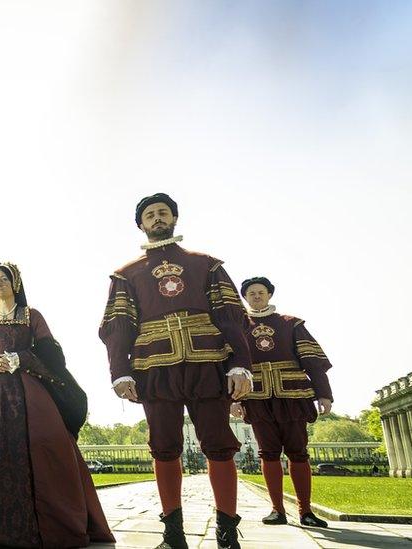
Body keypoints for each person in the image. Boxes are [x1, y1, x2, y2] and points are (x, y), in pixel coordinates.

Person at [98, 193, 252, 549]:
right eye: (149, 214)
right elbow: (118, 325)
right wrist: (119, 372)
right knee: (164, 447)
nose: (156, 218)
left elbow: (231, 316)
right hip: (155, 368)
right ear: (140, 224)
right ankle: (173, 534)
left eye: (162, 212)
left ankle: (227, 533)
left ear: (175, 218)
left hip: (207, 364)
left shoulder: (207, 264)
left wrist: (241, 363)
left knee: (218, 446)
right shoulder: (126, 273)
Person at [0, 263, 114, 548]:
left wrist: (20, 358)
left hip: (27, 395)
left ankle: (34, 525)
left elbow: (52, 354)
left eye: (4, 278)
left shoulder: (31, 316)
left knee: (33, 449)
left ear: (16, 283)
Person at [230, 277, 333, 528]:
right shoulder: (237, 325)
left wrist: (324, 394)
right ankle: (277, 510)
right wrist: (230, 400)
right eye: (251, 293)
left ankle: (305, 511)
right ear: (245, 297)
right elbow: (228, 365)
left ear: (269, 295)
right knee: (268, 452)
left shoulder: (291, 324)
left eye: (260, 292)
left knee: (298, 452)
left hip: (293, 396)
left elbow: (312, 360)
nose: (256, 296)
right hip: (256, 398)